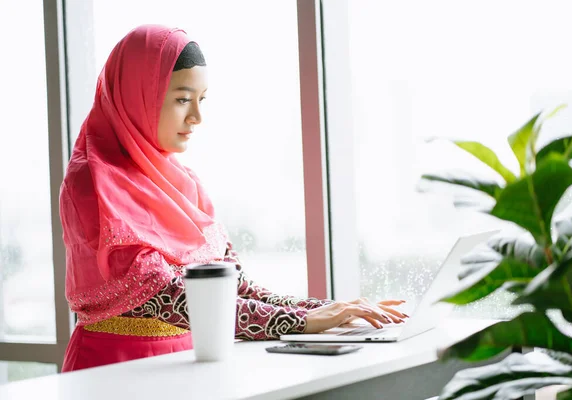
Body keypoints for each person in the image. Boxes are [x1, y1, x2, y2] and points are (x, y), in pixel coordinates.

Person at [59, 24, 407, 372]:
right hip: (117, 370)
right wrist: (300, 323)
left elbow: (235, 287)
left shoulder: (182, 182)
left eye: (201, 99)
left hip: (192, 363)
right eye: (182, 99)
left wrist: (325, 310)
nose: (196, 117)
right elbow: (167, 297)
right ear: (137, 94)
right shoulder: (92, 179)